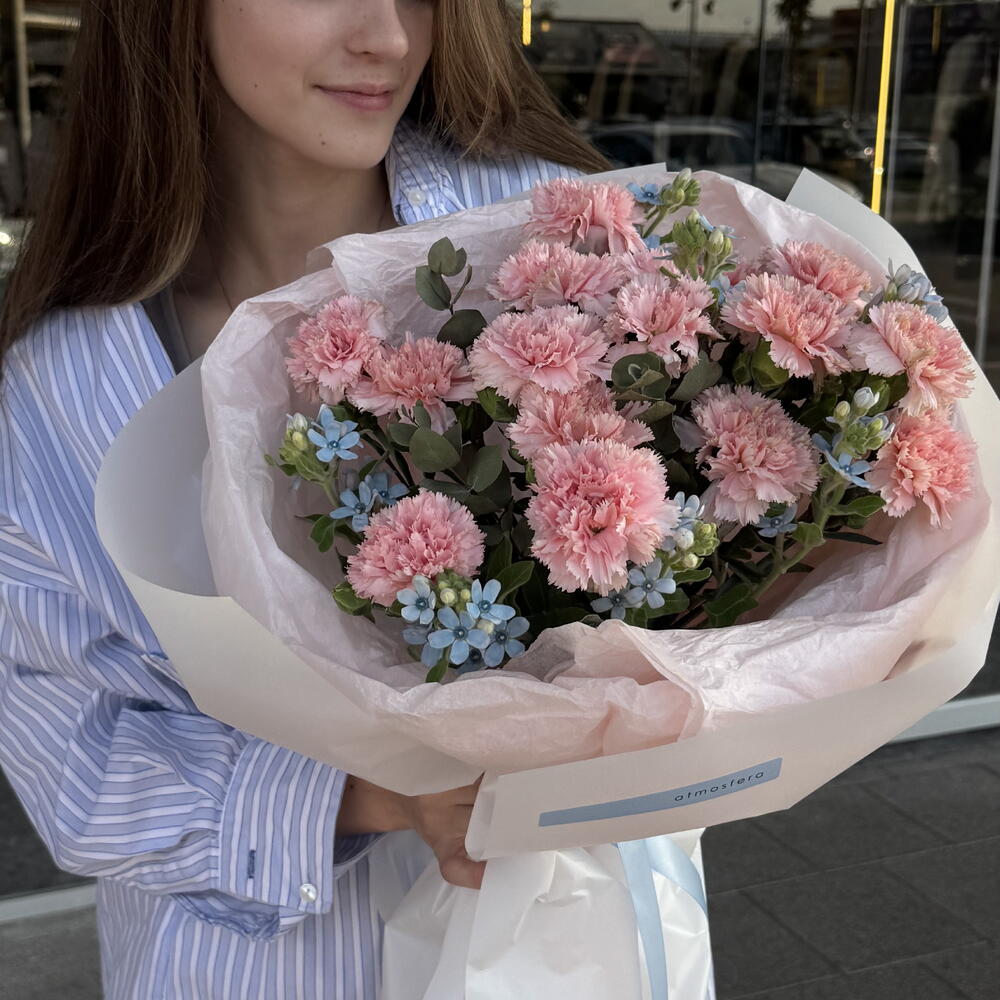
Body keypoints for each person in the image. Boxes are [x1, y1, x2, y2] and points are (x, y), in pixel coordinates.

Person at [0, 1, 608, 996]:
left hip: (571, 941)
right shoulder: (55, 386)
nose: (390, 37)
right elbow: (74, 757)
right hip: (233, 970)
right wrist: (370, 794)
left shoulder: (554, 240)